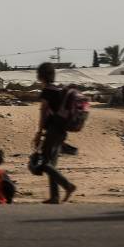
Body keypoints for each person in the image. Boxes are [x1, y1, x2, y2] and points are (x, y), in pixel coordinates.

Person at [33, 62, 76, 204]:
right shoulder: (59, 90)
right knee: (52, 164)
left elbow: (43, 111)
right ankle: (55, 197)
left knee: (44, 163)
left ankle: (67, 185)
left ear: (41, 75)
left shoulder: (47, 91)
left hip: (52, 130)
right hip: (62, 130)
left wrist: (39, 132)